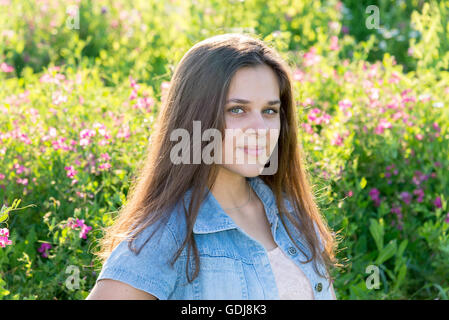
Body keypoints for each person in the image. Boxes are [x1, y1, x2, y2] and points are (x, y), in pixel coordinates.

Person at [87, 33, 339, 300]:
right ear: (197, 116)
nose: (260, 129)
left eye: (269, 111)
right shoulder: (166, 235)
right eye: (237, 110)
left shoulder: (292, 215)